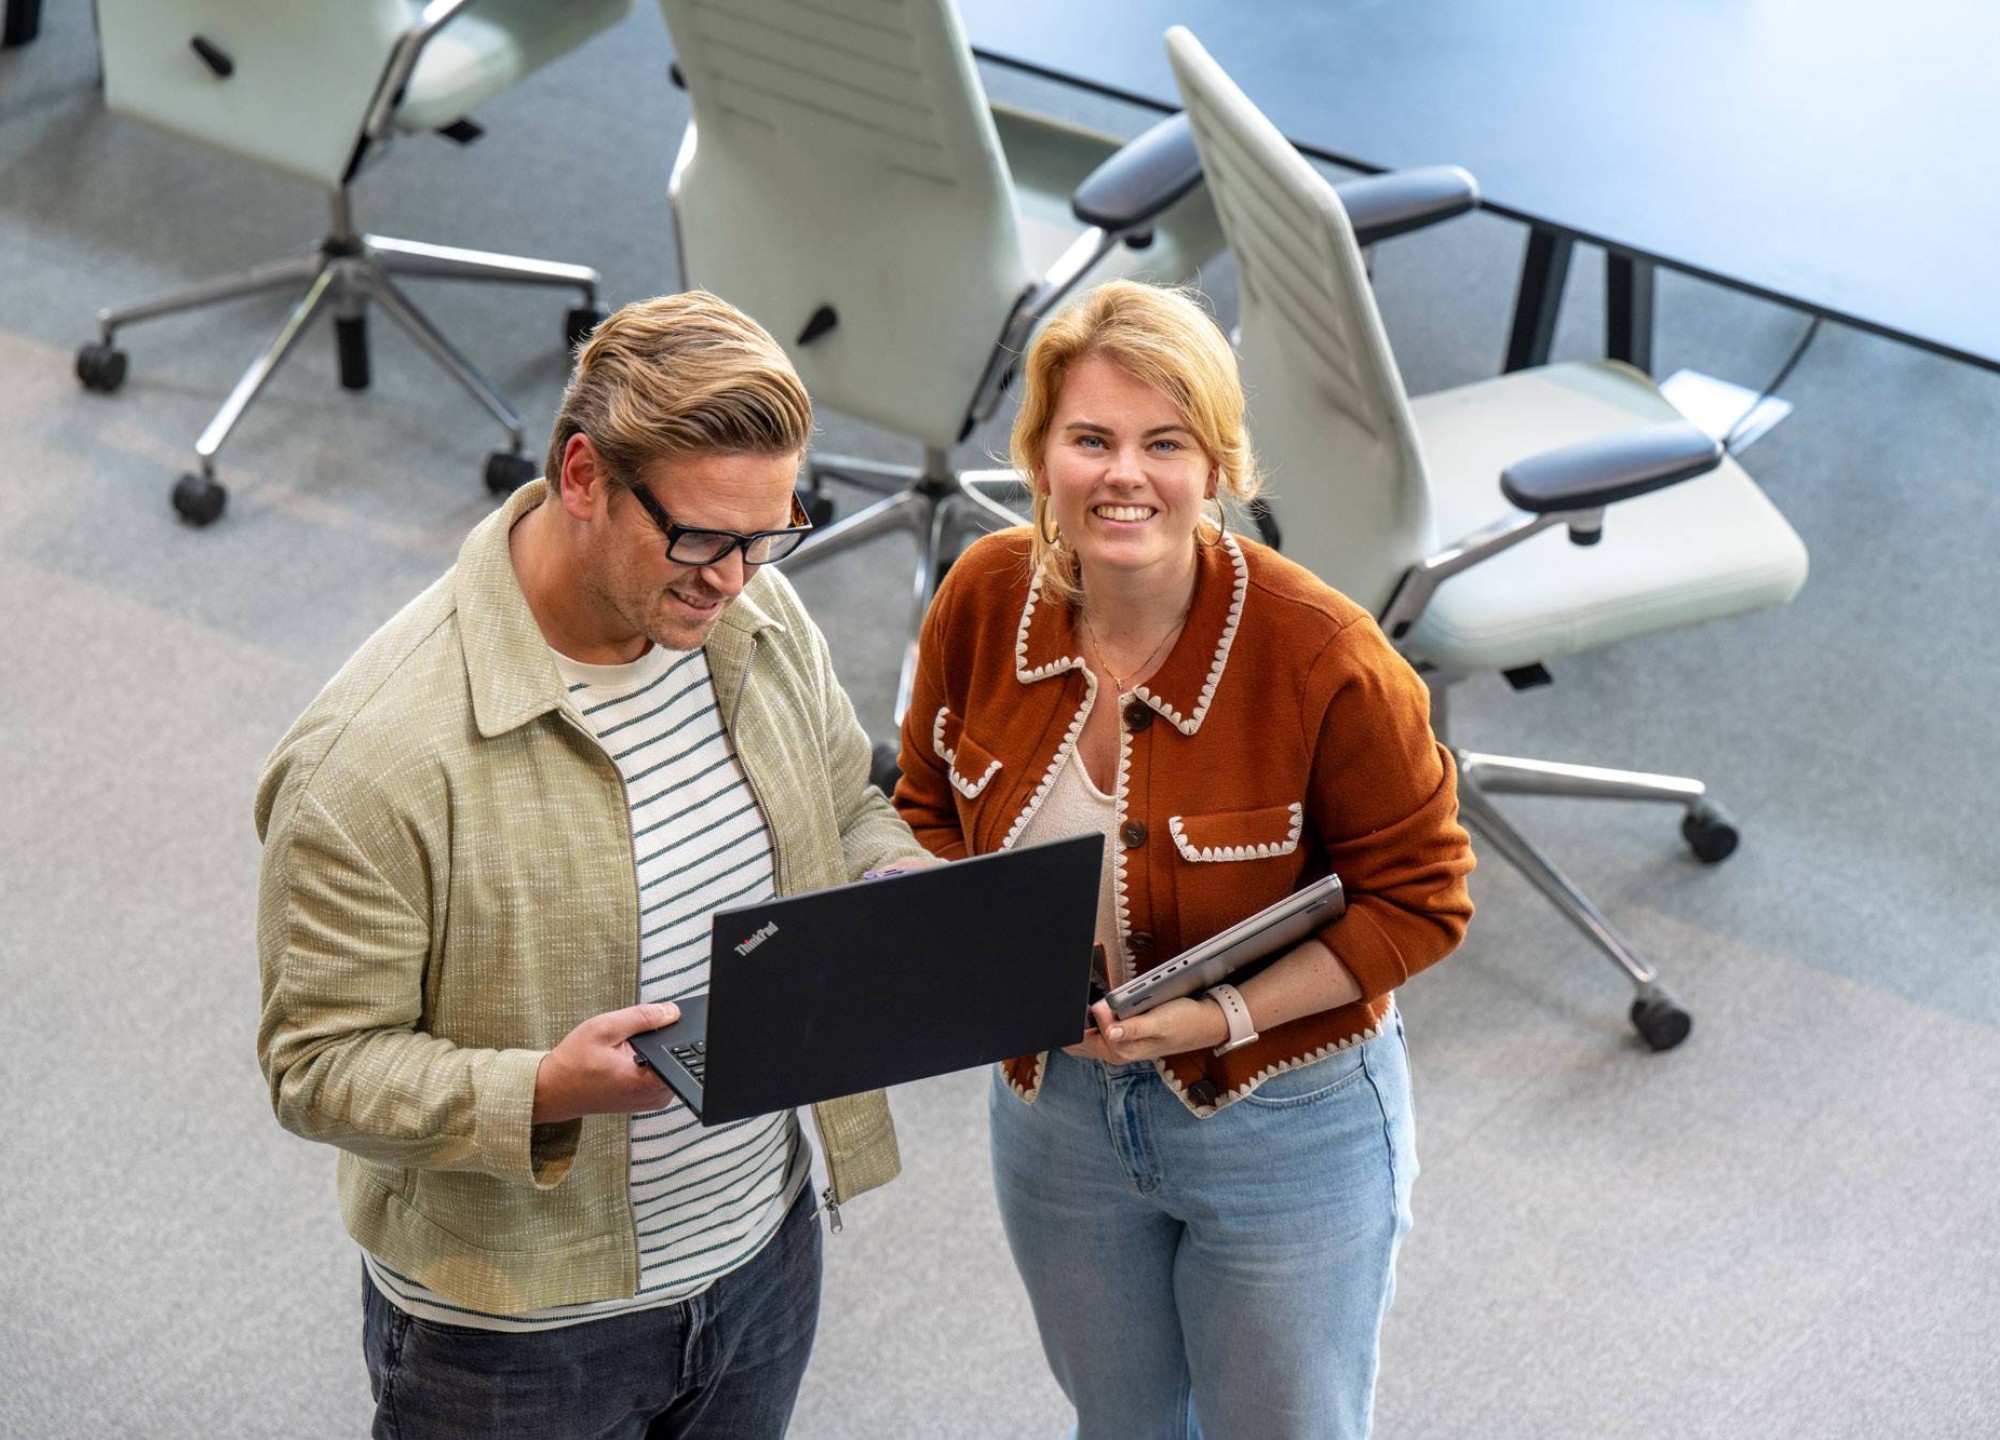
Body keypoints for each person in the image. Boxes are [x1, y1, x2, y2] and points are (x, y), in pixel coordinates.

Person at [255, 291, 930, 1440]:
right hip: (516, 1340)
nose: (732, 577)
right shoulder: (370, 761)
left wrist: (888, 885)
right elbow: (316, 1069)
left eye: (770, 535)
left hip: (759, 1255)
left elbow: (846, 803)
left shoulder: (754, 615)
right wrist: (546, 1091)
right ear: (581, 476)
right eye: (702, 537)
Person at [893, 280, 1476, 1439]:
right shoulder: (980, 597)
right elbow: (920, 806)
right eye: (1090, 439)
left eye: (1165, 444)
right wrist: (959, 950)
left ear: (1215, 467)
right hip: (1052, 1100)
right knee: (1119, 1425)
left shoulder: (1323, 659)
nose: (1124, 475)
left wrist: (1218, 1020)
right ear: (1041, 456)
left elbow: (1420, 903)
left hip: (1279, 1115)